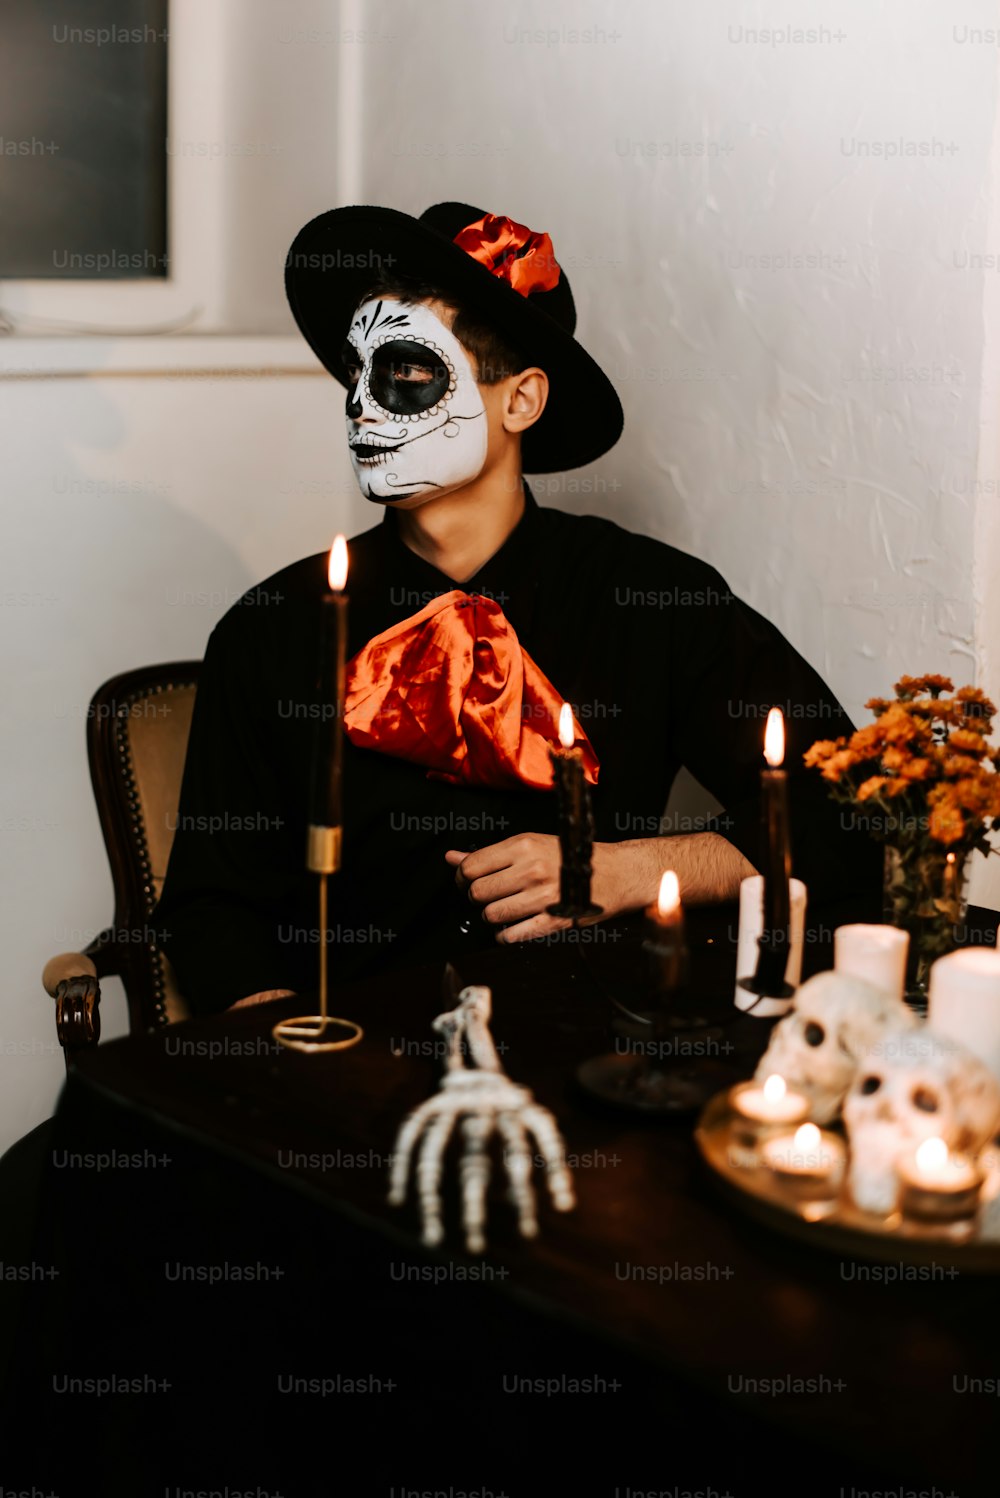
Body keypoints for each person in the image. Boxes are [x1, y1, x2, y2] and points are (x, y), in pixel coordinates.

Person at [154, 201, 880, 1015]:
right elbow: (210, 908)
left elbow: (857, 815)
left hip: (587, 1053)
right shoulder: (275, 624)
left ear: (522, 401)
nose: (361, 404)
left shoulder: (654, 599)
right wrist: (296, 1068)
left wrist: (634, 869)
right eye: (355, 375)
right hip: (349, 1067)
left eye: (403, 371)